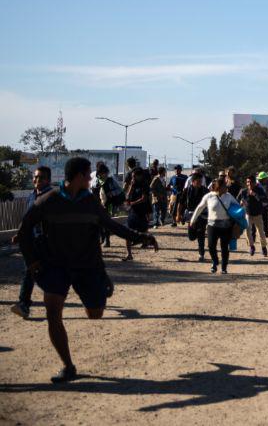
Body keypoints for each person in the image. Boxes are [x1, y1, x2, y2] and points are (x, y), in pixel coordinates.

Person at [16, 156, 158, 383]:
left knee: (95, 313)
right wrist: (32, 261)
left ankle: (101, 284)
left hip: (86, 266)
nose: (91, 177)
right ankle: (68, 366)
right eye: (89, 173)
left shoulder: (91, 202)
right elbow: (23, 231)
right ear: (80, 176)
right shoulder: (47, 200)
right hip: (55, 266)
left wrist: (142, 237)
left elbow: (112, 226)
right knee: (53, 314)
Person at [10, 166, 55, 319]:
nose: (37, 180)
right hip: (33, 242)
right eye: (35, 177)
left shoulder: (52, 197)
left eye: (41, 177)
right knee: (29, 271)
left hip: (49, 243)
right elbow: (27, 220)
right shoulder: (31, 196)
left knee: (52, 275)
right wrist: (20, 234)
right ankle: (24, 304)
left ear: (48, 180)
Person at [189, 177, 239, 274]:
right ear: (219, 187)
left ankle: (224, 267)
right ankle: (215, 261)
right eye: (225, 186)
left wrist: (241, 209)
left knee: (224, 247)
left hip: (226, 225)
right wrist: (193, 220)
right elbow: (199, 208)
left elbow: (237, 207)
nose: (226, 187)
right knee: (211, 246)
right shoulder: (209, 196)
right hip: (212, 225)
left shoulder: (229, 196)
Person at [176, 173, 209, 261]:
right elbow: (181, 203)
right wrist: (178, 214)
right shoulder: (187, 190)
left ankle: (201, 254)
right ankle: (196, 234)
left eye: (201, 181)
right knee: (191, 237)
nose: (199, 183)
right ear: (193, 182)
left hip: (202, 215)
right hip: (190, 215)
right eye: (198, 181)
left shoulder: (205, 191)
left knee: (201, 234)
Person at [123, 168, 152, 262]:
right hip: (133, 212)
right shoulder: (134, 184)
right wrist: (131, 185)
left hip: (142, 212)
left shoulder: (145, 185)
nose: (133, 177)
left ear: (140, 176)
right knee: (127, 232)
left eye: (134, 176)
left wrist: (133, 203)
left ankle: (147, 241)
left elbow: (144, 198)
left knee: (143, 231)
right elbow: (128, 197)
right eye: (132, 176)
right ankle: (129, 254)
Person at [238, 175, 268, 257]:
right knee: (247, 231)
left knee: (261, 233)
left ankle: (264, 247)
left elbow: (265, 201)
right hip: (248, 214)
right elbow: (239, 200)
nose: (249, 184)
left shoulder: (260, 190)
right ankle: (251, 246)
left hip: (258, 214)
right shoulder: (243, 191)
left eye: (251, 182)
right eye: (248, 182)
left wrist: (255, 195)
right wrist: (241, 202)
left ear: (255, 183)